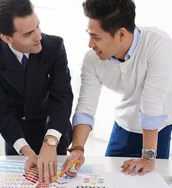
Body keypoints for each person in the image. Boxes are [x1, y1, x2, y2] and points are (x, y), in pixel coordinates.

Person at [63, 0, 172, 176]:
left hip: (158, 129)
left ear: (121, 34)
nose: (90, 44)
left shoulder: (158, 43)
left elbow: (151, 103)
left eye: (96, 37)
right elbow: (86, 107)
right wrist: (78, 148)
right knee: (111, 180)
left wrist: (148, 157)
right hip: (123, 124)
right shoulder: (92, 59)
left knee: (149, 185)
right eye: (89, 35)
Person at [0, 0, 73, 182]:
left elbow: (61, 98)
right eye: (29, 34)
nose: (38, 36)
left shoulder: (54, 46)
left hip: (53, 130)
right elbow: (0, 109)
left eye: (38, 26)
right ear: (6, 38)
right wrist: (26, 150)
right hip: (18, 135)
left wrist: (50, 142)